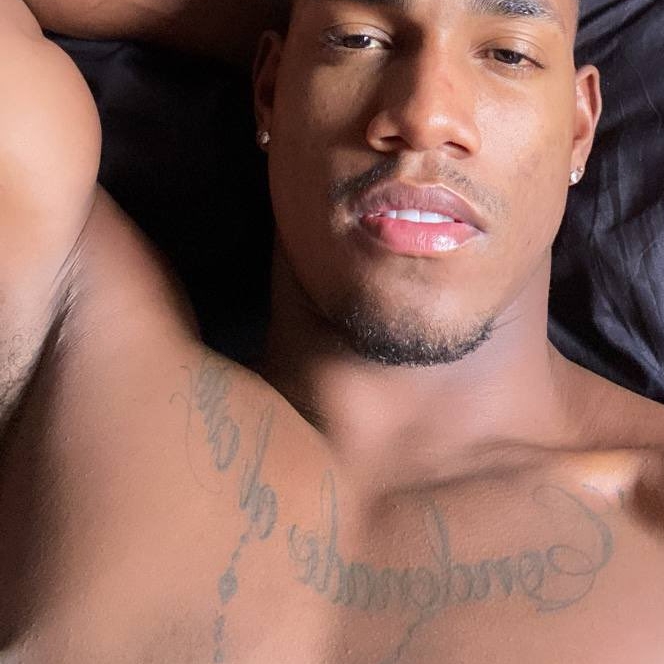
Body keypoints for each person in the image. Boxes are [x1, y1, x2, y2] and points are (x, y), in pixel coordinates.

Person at [2, 0, 664, 662]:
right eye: (357, 40)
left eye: (509, 55)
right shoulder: (75, 346)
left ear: (579, 128)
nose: (425, 117)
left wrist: (328, 33)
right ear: (269, 90)